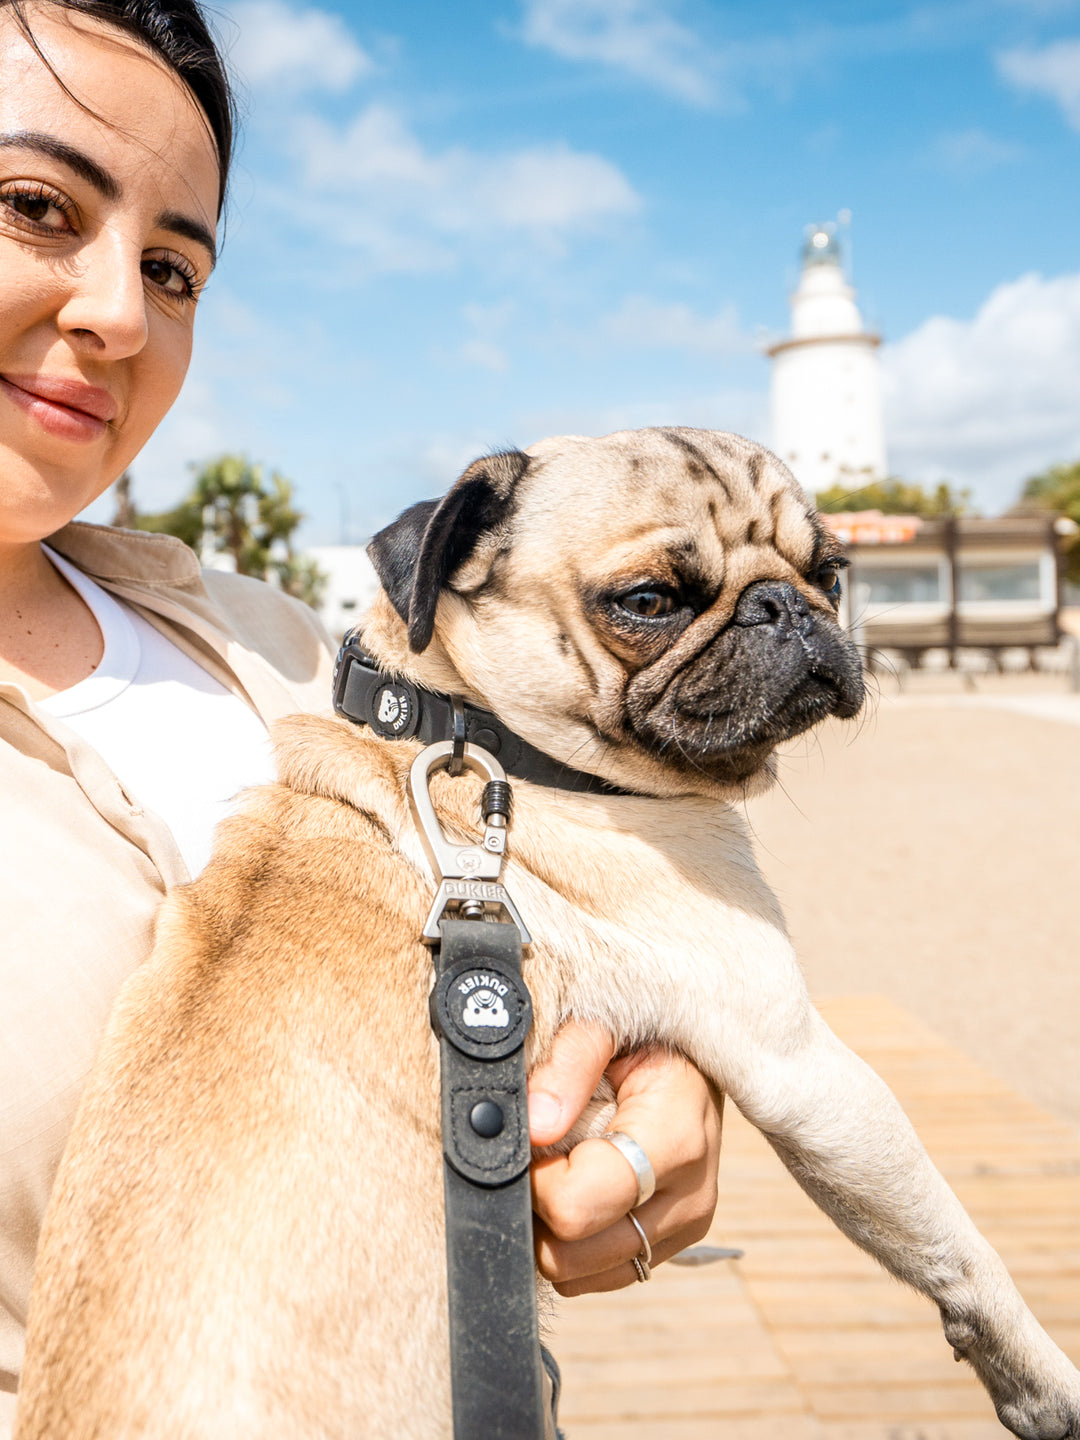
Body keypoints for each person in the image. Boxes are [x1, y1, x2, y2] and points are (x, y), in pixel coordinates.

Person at [0, 0, 724, 1431]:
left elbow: (569, 908)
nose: (120, 314)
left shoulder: (285, 651)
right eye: (35, 205)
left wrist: (652, 1097)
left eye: (173, 266)